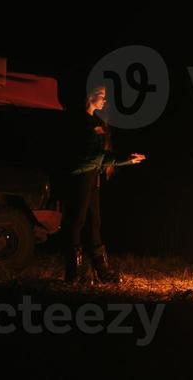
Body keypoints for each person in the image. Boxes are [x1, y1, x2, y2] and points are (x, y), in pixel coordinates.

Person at [63, 82, 145, 283]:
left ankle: (102, 271)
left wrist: (124, 158)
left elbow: (99, 156)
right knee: (77, 221)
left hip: (93, 176)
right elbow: (93, 156)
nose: (104, 99)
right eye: (101, 94)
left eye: (105, 96)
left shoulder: (95, 122)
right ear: (89, 96)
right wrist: (124, 159)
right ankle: (74, 273)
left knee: (95, 222)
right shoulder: (80, 122)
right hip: (82, 175)